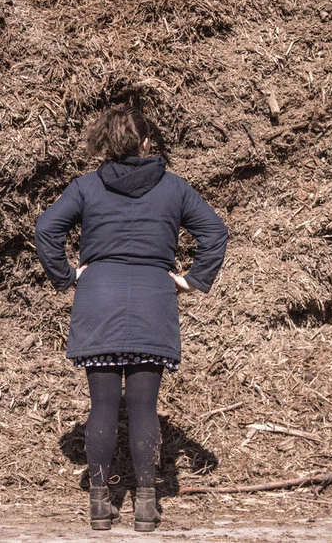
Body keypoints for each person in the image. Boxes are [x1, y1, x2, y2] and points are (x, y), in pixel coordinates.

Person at [35, 105, 228, 531]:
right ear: (145, 142)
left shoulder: (85, 187)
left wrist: (66, 275)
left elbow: (46, 229)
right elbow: (215, 232)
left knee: (102, 406)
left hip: (98, 299)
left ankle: (100, 505)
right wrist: (192, 280)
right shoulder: (175, 188)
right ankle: (145, 503)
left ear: (107, 143)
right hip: (153, 300)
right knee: (144, 407)